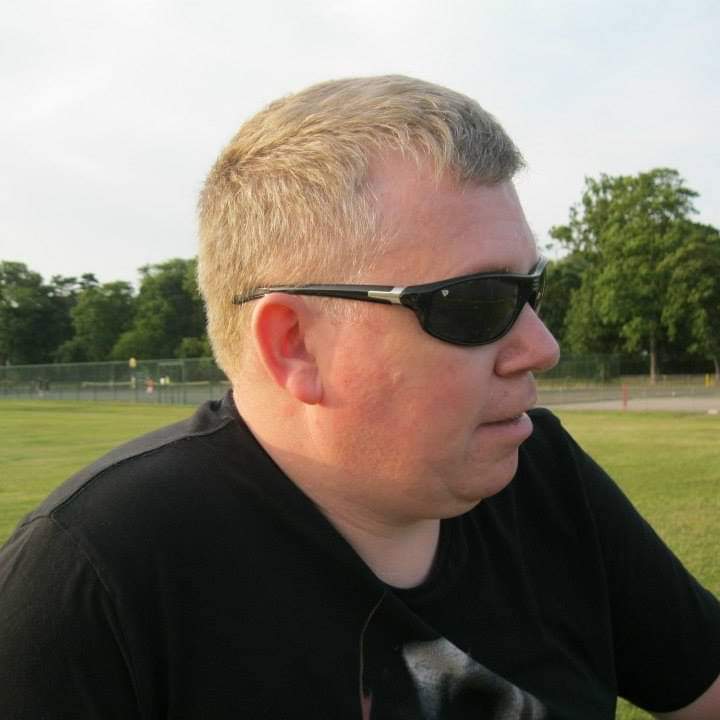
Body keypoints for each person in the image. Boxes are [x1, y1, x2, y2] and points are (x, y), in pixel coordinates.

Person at [1, 76, 719, 720]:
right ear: (296, 345)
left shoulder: (540, 472)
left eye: (532, 289)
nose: (542, 346)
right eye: (477, 302)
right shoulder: (95, 577)